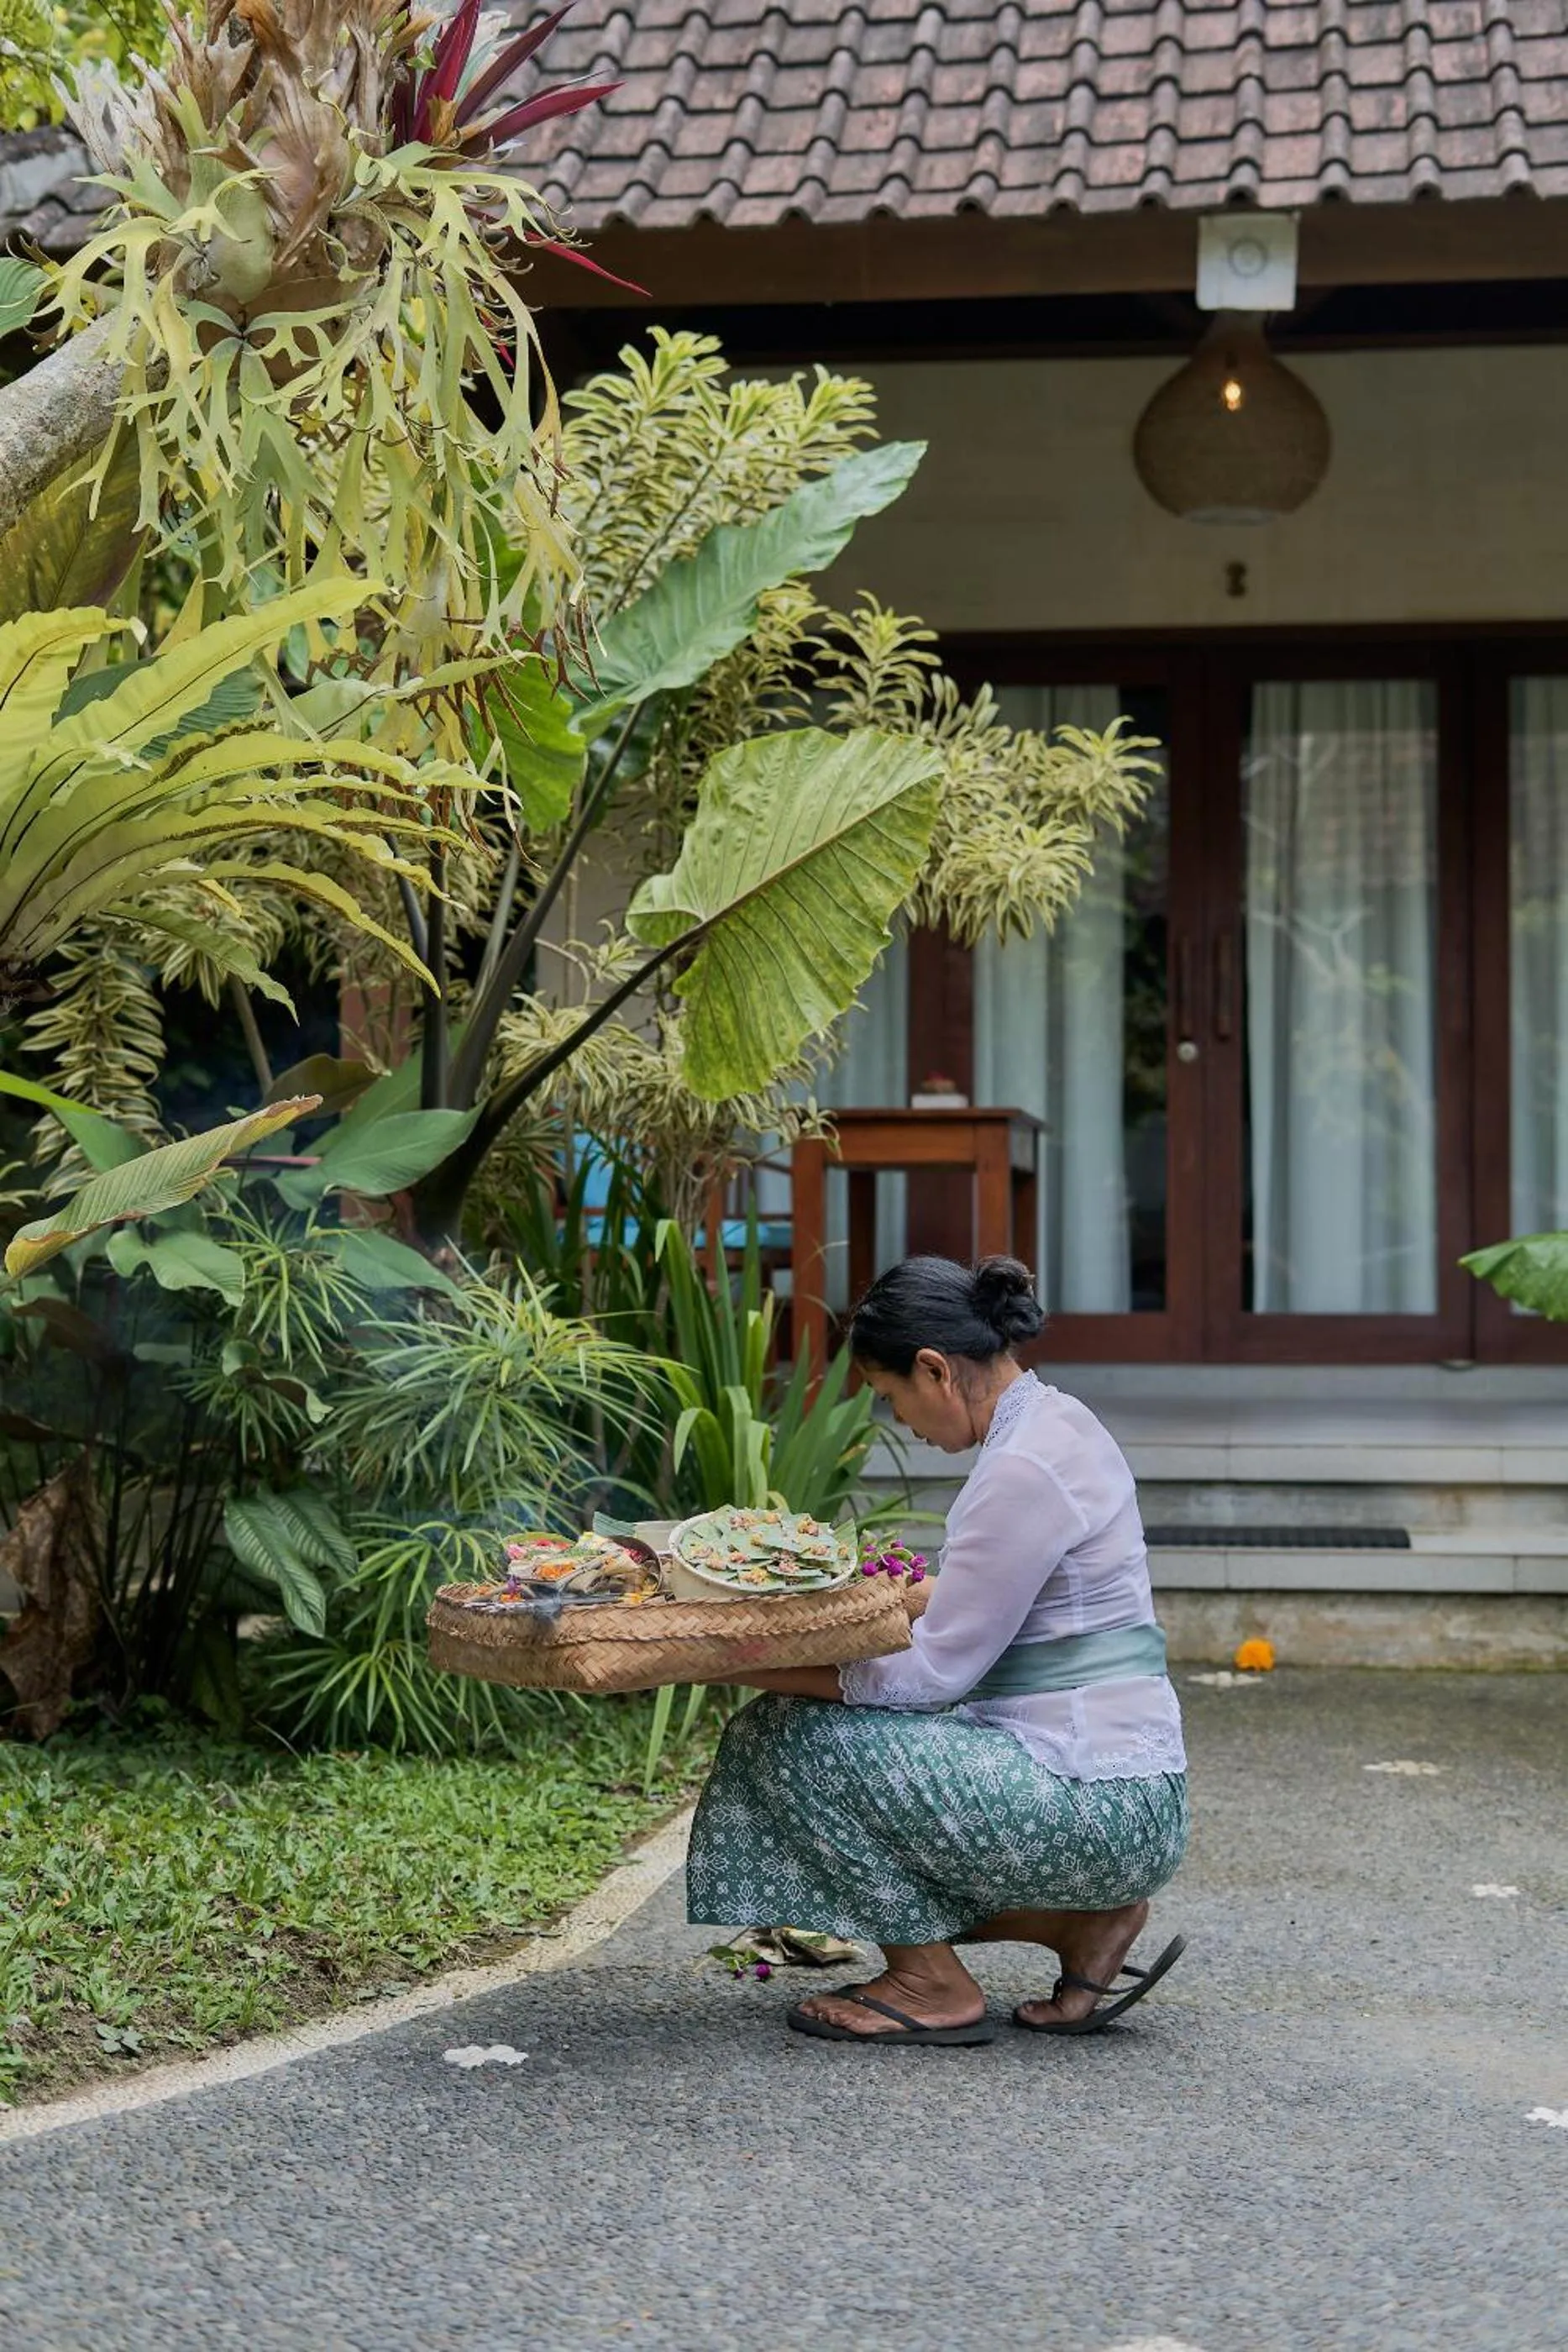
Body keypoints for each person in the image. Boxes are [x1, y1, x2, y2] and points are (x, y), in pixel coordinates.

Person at [686, 1253, 1188, 2047]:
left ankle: (929, 1981)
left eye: (892, 1397)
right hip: (1126, 1790)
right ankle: (1078, 1929)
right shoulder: (1058, 1419)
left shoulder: (1019, 1468)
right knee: (821, 1729)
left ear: (934, 1369)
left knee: (782, 1735)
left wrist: (728, 1657)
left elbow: (926, 1680)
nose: (902, 1421)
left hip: (1092, 1802)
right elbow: (994, 1609)